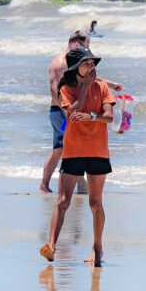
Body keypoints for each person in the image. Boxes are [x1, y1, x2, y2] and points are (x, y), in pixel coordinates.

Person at [40, 47, 116, 267]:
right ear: (76, 68)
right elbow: (71, 114)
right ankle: (51, 246)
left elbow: (109, 117)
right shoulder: (66, 88)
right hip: (73, 151)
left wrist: (92, 117)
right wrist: (83, 88)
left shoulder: (102, 87)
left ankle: (98, 247)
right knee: (63, 201)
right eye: (87, 63)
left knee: (95, 202)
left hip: (98, 151)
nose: (92, 66)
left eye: (93, 63)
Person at [41, 31, 123, 195]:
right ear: (76, 43)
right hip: (61, 111)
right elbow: (55, 91)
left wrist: (112, 85)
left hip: (69, 110)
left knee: (64, 148)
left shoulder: (74, 62)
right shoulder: (60, 63)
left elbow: (87, 79)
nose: (88, 48)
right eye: (87, 44)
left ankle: (76, 185)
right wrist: (67, 115)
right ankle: (46, 184)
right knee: (62, 148)